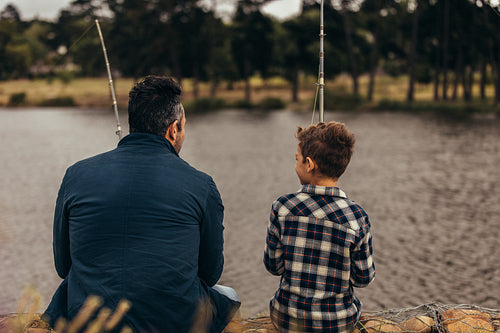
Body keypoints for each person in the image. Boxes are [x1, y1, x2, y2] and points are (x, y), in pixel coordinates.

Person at [43, 75, 240, 333]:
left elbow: (63, 266)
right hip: (174, 323)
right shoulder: (201, 185)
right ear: (173, 129)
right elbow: (210, 273)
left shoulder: (76, 174)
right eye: (184, 126)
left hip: (92, 322)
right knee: (229, 293)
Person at [263, 122, 375, 333]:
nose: (295, 164)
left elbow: (273, 266)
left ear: (309, 164)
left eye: (296, 160)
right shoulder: (357, 217)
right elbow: (363, 278)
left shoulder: (282, 207)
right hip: (338, 323)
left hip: (287, 319)